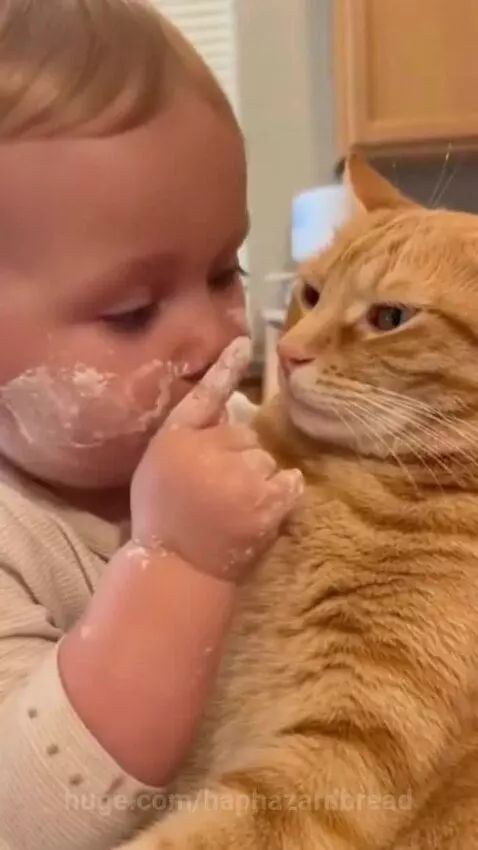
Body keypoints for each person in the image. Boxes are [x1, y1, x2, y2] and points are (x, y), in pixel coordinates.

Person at [0, 2, 304, 848]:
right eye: (134, 312)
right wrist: (180, 563)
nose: (214, 336)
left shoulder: (240, 431)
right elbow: (26, 815)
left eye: (223, 270)